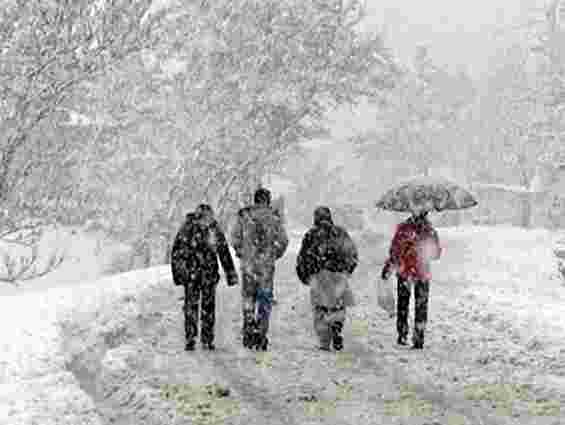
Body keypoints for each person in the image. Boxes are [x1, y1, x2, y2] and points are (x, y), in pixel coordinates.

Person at [171, 204, 239, 351]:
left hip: (200, 275)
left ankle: (200, 339)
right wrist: (178, 275)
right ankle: (196, 338)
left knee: (198, 307)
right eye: (206, 217)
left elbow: (223, 251)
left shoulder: (196, 229)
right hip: (197, 274)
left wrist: (230, 273)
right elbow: (177, 252)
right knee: (198, 307)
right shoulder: (194, 228)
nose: (207, 220)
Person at [231, 187, 289, 351]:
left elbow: (235, 237)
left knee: (248, 297)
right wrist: (274, 254)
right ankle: (262, 334)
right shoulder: (274, 217)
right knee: (264, 299)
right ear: (267, 200)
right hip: (266, 267)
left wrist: (241, 251)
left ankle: (249, 329)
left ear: (255, 199)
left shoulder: (244, 215)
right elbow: (284, 240)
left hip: (249, 265)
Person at [296, 206, 358, 351]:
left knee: (320, 308)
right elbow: (352, 253)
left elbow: (303, 258)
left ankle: (324, 340)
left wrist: (304, 275)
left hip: (319, 275)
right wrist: (347, 270)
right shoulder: (340, 233)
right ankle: (336, 329)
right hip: (339, 275)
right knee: (338, 305)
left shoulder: (311, 235)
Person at [381, 210, 441, 349]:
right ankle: (419, 337)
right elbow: (436, 254)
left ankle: (402, 335)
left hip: (404, 272)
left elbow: (394, 251)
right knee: (421, 307)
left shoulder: (403, 228)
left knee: (403, 305)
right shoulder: (429, 231)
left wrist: (388, 267)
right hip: (422, 273)